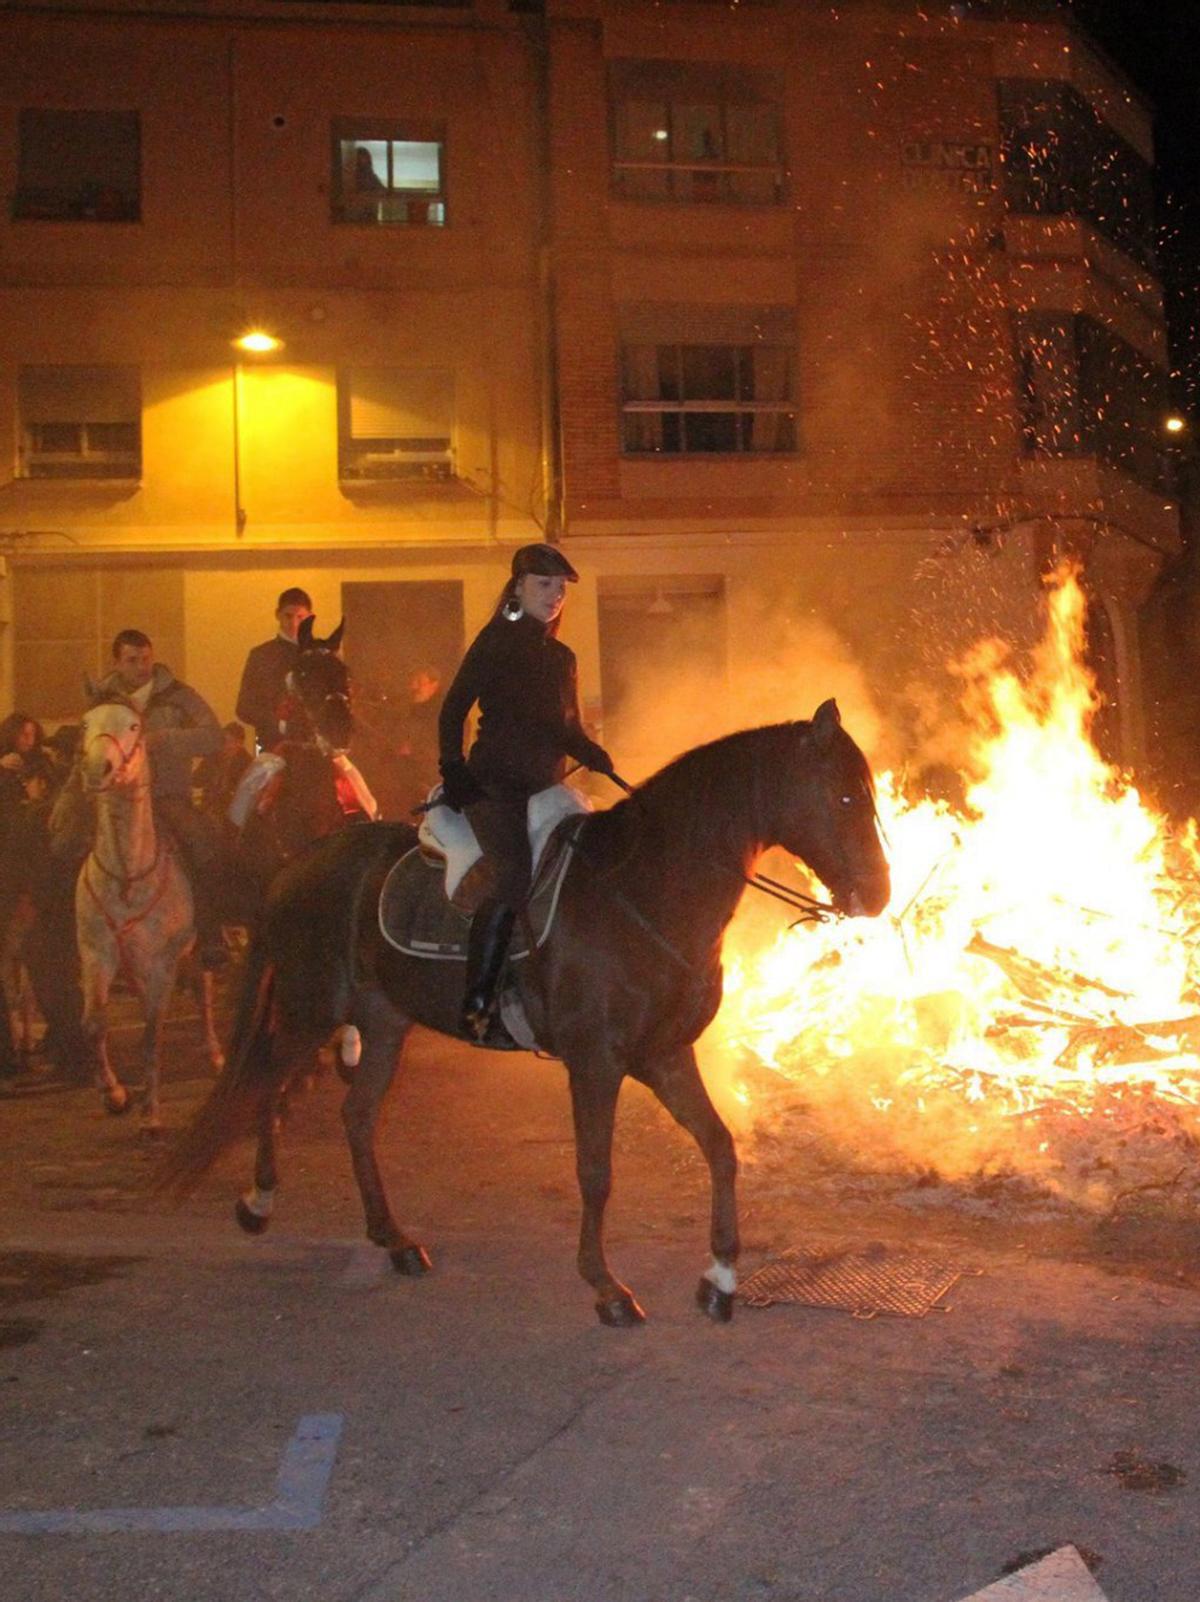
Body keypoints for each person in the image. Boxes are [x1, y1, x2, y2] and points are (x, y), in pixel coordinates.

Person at [438, 543, 613, 1041]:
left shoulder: (562, 657)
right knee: (513, 877)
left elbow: (568, 727)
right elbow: (453, 710)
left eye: (561, 588)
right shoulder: (495, 641)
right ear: (517, 586)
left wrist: (592, 751)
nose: (556, 595)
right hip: (495, 788)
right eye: (544, 585)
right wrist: (453, 770)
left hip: (547, 786)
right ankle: (476, 1006)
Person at [79, 630, 227, 968]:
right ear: (117, 662)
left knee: (202, 842)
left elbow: (213, 736)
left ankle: (209, 930)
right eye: (132, 660)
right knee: (69, 840)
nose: (141, 667)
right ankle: (72, 930)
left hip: (167, 795)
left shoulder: (178, 696)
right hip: (112, 797)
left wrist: (167, 740)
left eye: (145, 659)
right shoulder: (103, 697)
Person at [235, 587, 314, 753]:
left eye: (300, 617)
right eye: (288, 616)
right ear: (278, 615)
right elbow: (243, 707)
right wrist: (274, 716)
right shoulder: (261, 656)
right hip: (273, 747)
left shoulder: (323, 657)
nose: (294, 623)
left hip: (316, 750)